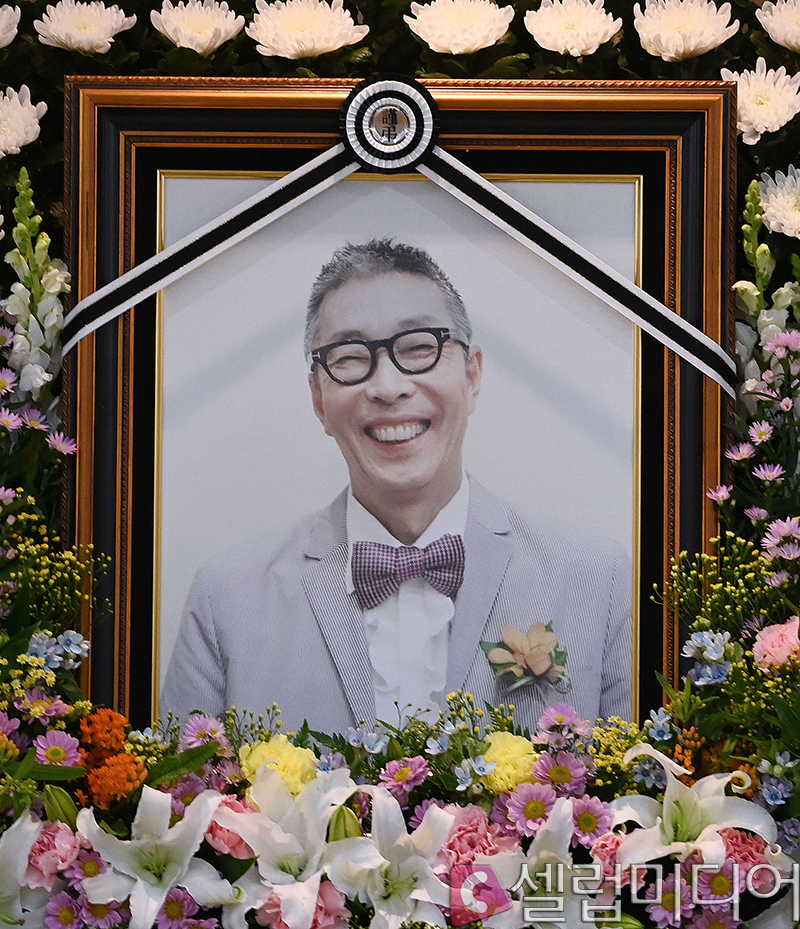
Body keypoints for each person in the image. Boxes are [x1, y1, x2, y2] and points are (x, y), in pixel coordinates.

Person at [161, 240, 632, 732]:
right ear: (319, 399)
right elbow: (186, 781)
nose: (388, 387)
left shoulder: (594, 580)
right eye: (349, 356)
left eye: (419, 347)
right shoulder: (227, 597)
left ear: (472, 375)